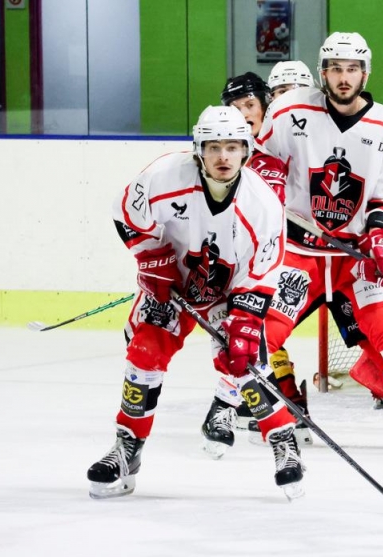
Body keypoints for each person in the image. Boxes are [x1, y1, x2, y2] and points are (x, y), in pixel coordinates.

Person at [87, 105, 306, 501]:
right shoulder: (163, 176)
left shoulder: (264, 206)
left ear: (247, 150)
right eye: (214, 146)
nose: (224, 157)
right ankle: (127, 447)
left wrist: (241, 328)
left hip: (229, 293)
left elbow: (260, 275)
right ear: (198, 149)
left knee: (247, 365)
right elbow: (126, 217)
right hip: (171, 285)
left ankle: (283, 442)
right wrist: (151, 261)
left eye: (233, 147)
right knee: (144, 353)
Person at [257, 32, 383, 457]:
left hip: (357, 256)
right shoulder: (289, 109)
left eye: (352, 69)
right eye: (335, 69)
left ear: (365, 73)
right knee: (262, 329)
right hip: (301, 251)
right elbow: (259, 159)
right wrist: (270, 181)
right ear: (322, 72)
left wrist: (382, 235)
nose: (343, 78)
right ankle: (289, 408)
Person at [200, 70, 310, 458]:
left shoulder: (278, 154)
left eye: (250, 105)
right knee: (237, 339)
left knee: (255, 334)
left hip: (283, 261)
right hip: (232, 262)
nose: (243, 114)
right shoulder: (220, 154)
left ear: (265, 106)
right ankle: (243, 407)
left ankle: (249, 404)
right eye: (235, 107)